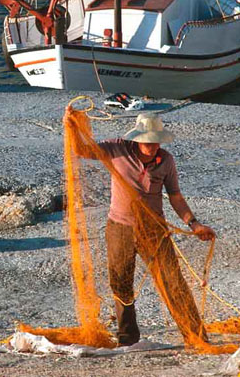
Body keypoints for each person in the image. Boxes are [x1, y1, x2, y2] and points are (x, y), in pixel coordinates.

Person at [73, 110, 216, 346]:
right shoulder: (116, 149)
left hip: (155, 230)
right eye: (146, 141)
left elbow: (176, 197)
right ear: (137, 138)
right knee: (120, 282)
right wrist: (73, 125)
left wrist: (194, 224)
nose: (151, 146)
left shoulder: (166, 160)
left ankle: (195, 337)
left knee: (172, 281)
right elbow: (81, 150)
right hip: (120, 227)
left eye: (155, 141)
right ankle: (127, 338)